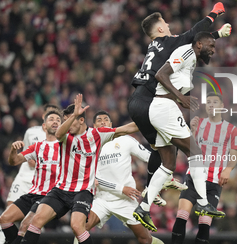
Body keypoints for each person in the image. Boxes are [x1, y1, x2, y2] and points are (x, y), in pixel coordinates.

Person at [128, 3, 230, 205]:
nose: (168, 25)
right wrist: (214, 14)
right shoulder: (167, 42)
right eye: (164, 23)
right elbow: (194, 36)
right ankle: (198, 199)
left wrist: (217, 34)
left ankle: (155, 187)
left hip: (136, 99)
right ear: (159, 29)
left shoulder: (153, 46)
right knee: (184, 149)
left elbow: (196, 42)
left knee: (164, 148)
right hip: (150, 99)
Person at [21, 94, 139, 244]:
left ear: (82, 120)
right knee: (36, 220)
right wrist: (73, 116)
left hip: (83, 191)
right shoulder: (65, 136)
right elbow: (58, 133)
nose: (66, 124)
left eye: (70, 120)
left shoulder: (97, 135)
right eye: (65, 121)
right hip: (61, 189)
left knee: (77, 226)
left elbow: (127, 128)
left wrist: (149, 119)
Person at [73, 110, 163, 244]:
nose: (103, 121)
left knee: (145, 239)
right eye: (99, 120)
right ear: (93, 126)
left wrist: (165, 165)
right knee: (81, 229)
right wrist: (121, 188)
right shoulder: (89, 145)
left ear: (111, 123)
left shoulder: (126, 140)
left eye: (106, 119)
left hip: (126, 200)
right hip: (102, 198)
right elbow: (92, 178)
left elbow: (150, 158)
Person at [172, 92, 237, 244]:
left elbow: (234, 156)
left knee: (204, 224)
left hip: (214, 183)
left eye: (215, 102)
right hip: (194, 177)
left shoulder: (231, 130)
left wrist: (228, 170)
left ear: (222, 106)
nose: (211, 104)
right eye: (208, 102)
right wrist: (193, 131)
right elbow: (188, 149)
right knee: (182, 216)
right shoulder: (198, 123)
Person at [0, 110, 62, 244]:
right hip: (33, 193)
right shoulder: (37, 147)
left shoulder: (65, 147)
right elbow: (14, 161)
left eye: (58, 119)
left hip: (51, 196)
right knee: (4, 219)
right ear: (44, 126)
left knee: (25, 224)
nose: (55, 121)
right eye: (51, 119)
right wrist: (13, 150)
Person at [6, 104, 59, 207]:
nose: (54, 120)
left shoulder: (60, 139)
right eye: (50, 116)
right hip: (24, 177)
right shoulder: (31, 132)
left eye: (56, 117)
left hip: (43, 182)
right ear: (44, 116)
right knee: (9, 209)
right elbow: (24, 155)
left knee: (35, 217)